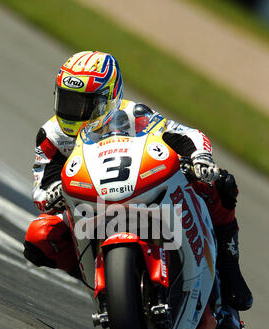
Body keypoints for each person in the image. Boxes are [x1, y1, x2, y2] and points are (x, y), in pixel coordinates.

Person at [23, 50, 253, 312]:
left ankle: (229, 265)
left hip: (138, 194)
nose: (72, 113)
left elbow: (184, 135)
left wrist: (201, 158)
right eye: (66, 101)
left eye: (82, 105)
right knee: (39, 236)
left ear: (108, 99)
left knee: (220, 183)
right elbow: (41, 187)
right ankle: (106, 277)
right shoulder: (51, 135)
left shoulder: (135, 115)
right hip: (88, 208)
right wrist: (53, 193)